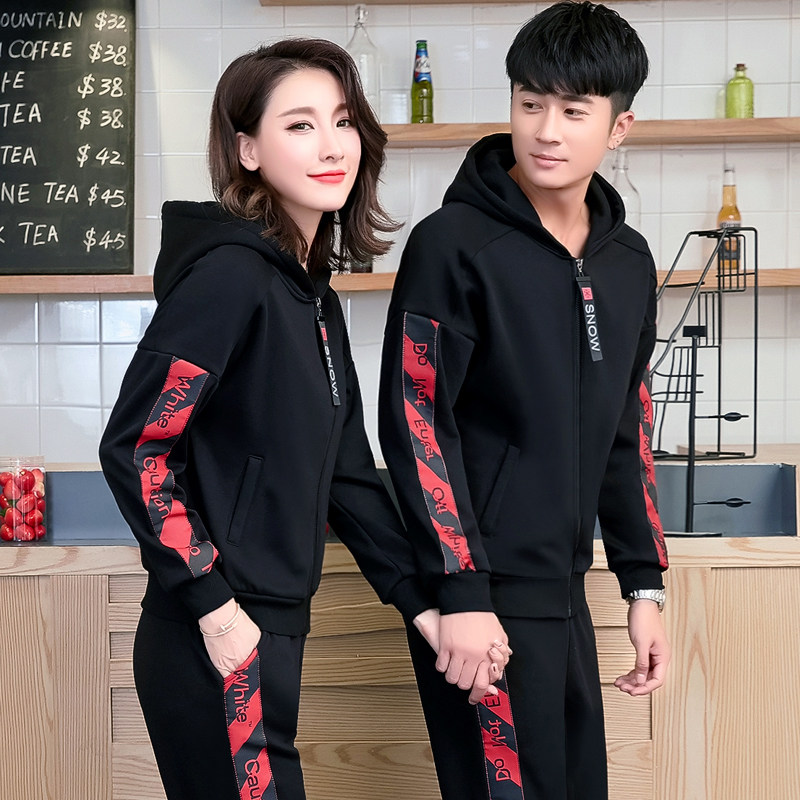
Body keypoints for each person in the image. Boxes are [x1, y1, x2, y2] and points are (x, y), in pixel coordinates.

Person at [99, 39, 506, 800]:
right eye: (299, 125)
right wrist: (215, 610)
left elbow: (347, 479)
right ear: (247, 150)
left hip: (270, 626)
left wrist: (427, 609)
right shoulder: (229, 277)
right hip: (215, 633)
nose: (331, 146)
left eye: (343, 122)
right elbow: (136, 449)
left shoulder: (313, 298)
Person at [378, 3, 670, 799]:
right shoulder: (452, 245)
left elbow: (625, 431)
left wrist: (643, 587)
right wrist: (463, 592)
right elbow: (415, 421)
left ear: (618, 127)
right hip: (484, 597)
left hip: (564, 594)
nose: (545, 130)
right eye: (530, 103)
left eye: (574, 111)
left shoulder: (627, 262)